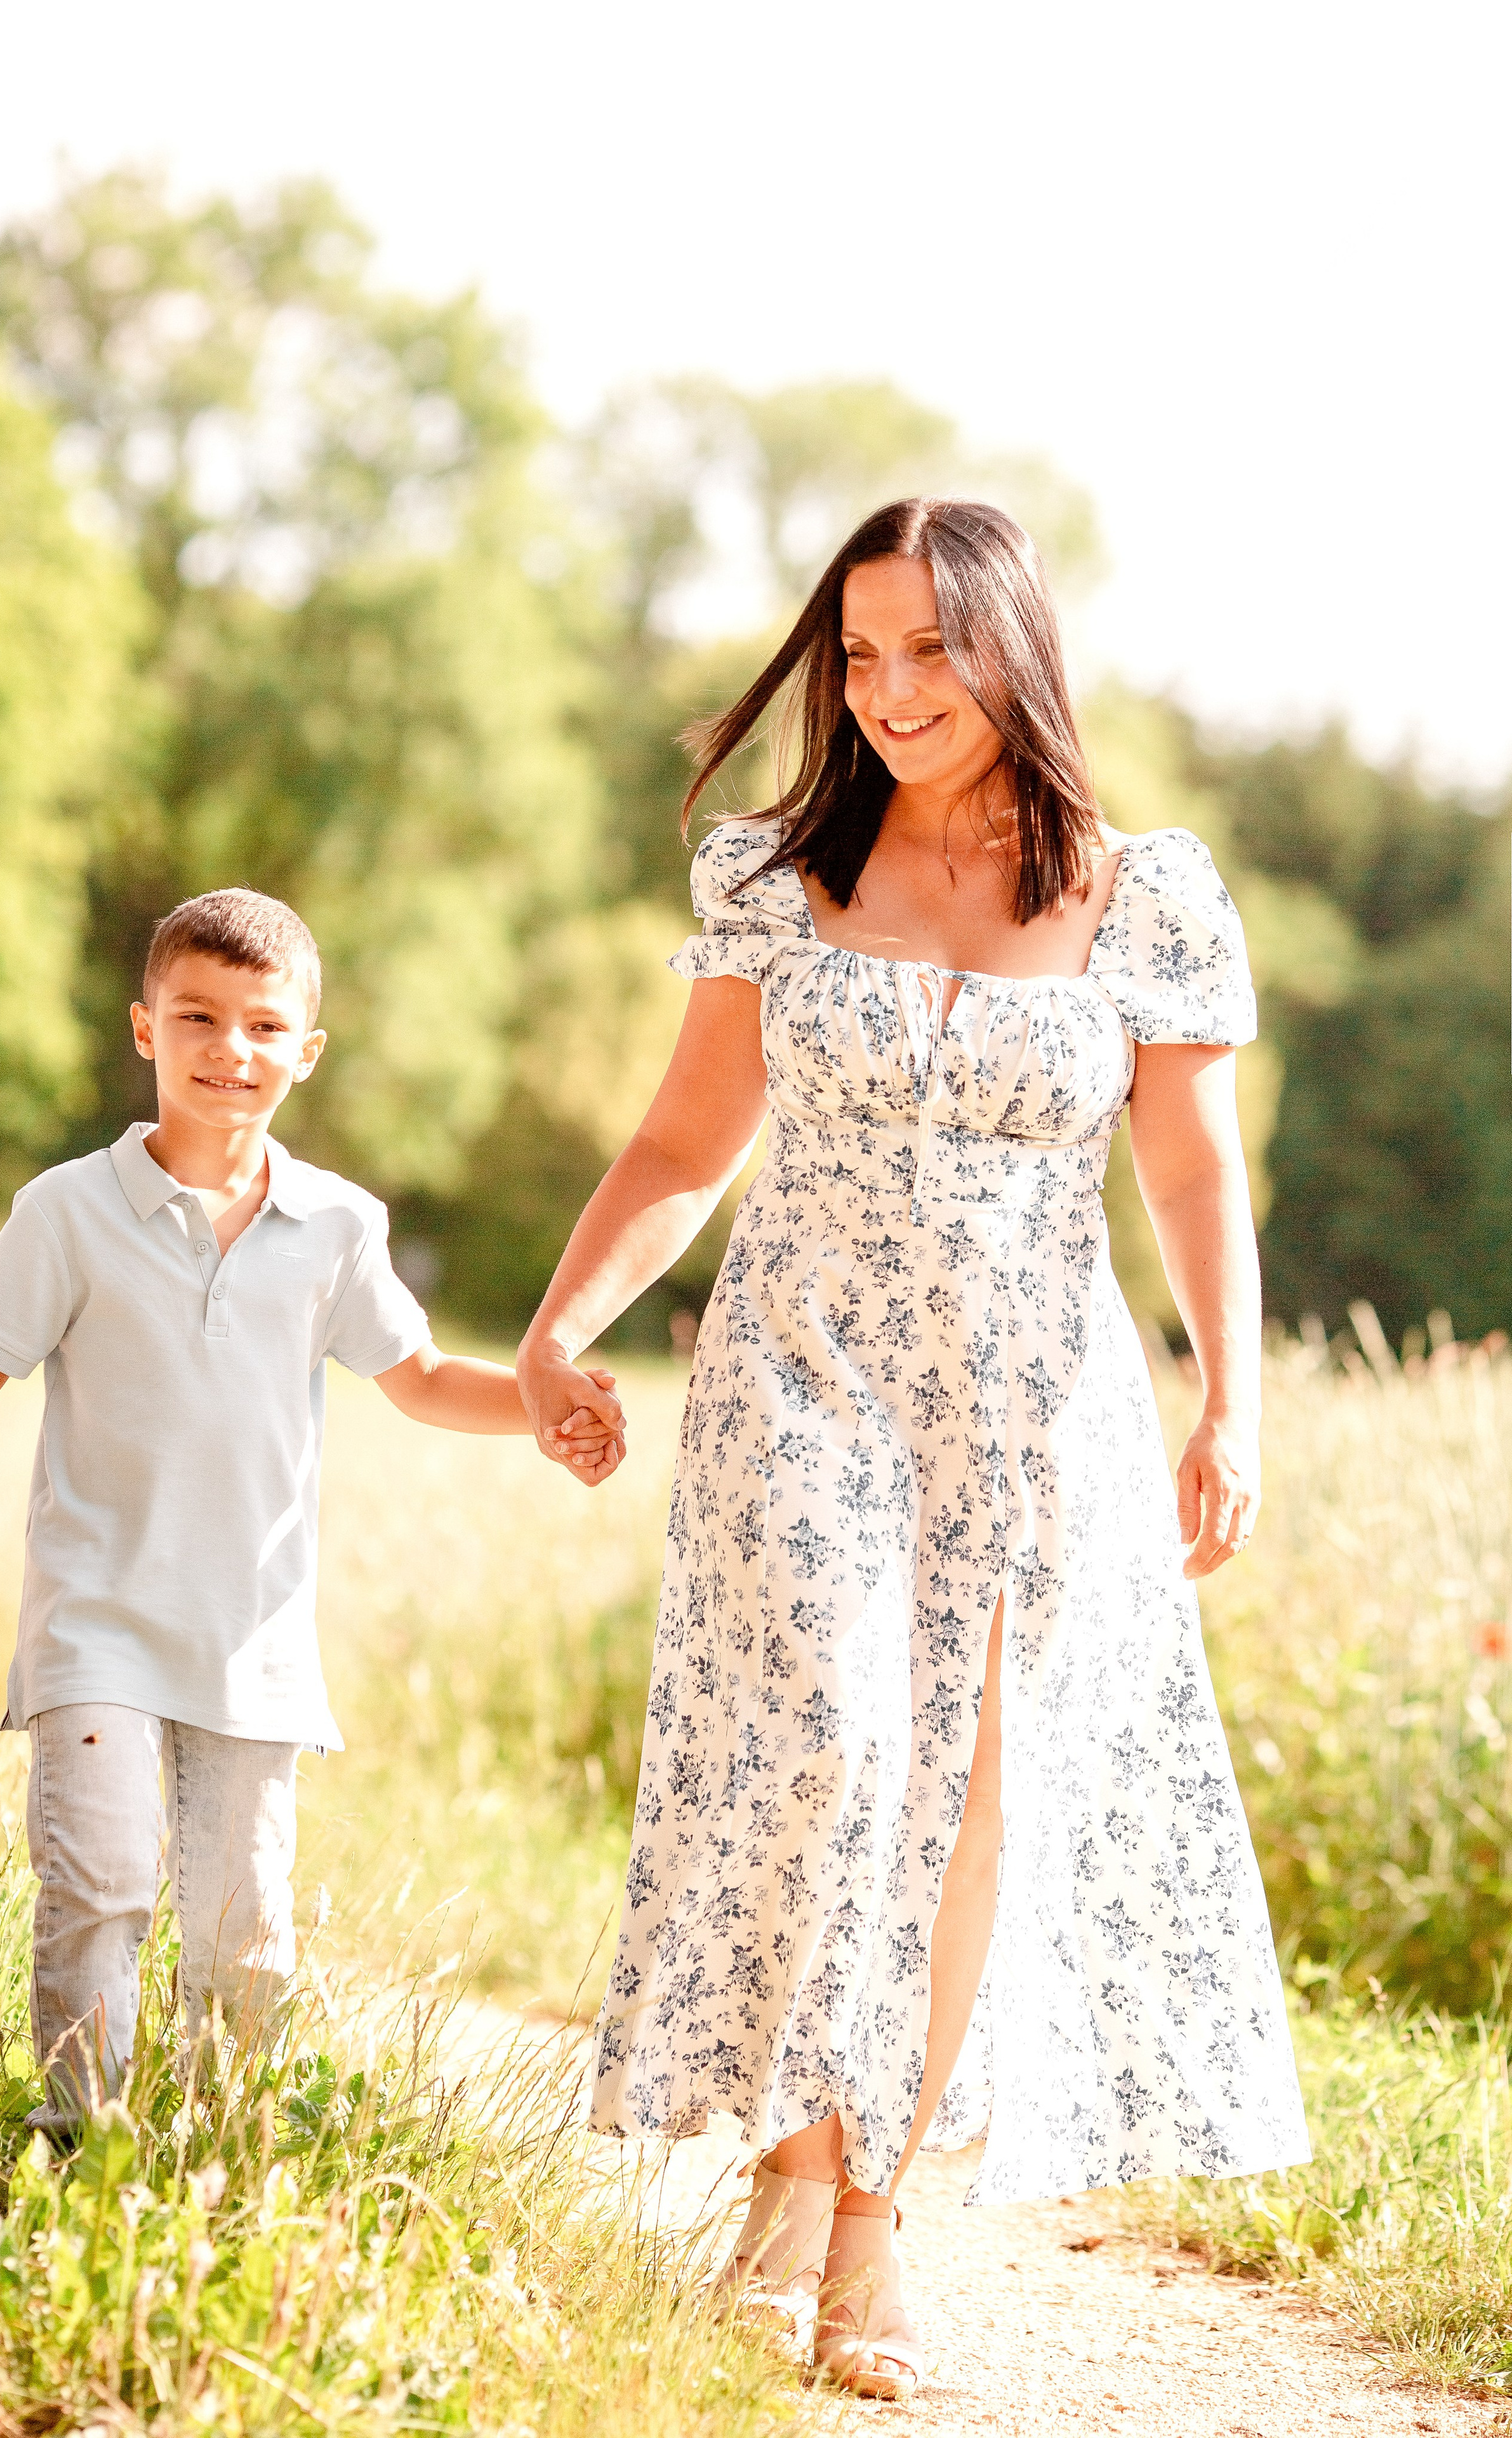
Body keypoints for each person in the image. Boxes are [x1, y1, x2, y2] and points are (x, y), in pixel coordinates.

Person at [521, 500, 1310, 2400]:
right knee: (834, 1741)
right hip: (802, 1368)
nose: (884, 696)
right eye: (856, 659)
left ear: (1012, 651)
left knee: (976, 1795)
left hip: (1037, 1399)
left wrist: (1234, 1395)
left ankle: (860, 2221)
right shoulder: (781, 881)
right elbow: (682, 1145)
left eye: (926, 655)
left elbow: (1192, 1166)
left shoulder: (1143, 894)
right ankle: (786, 2174)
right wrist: (560, 1323)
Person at [0, 888, 622, 2130]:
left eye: (263, 1027)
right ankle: (82, 2146)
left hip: (252, 1642)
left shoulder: (337, 1227)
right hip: (95, 1626)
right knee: (103, 1879)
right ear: (144, 1030)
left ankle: (220, 2146)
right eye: (199, 1019)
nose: (231, 1051)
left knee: (242, 1923)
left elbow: (423, 1379)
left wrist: (546, 1412)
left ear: (306, 1050)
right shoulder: (66, 1213)